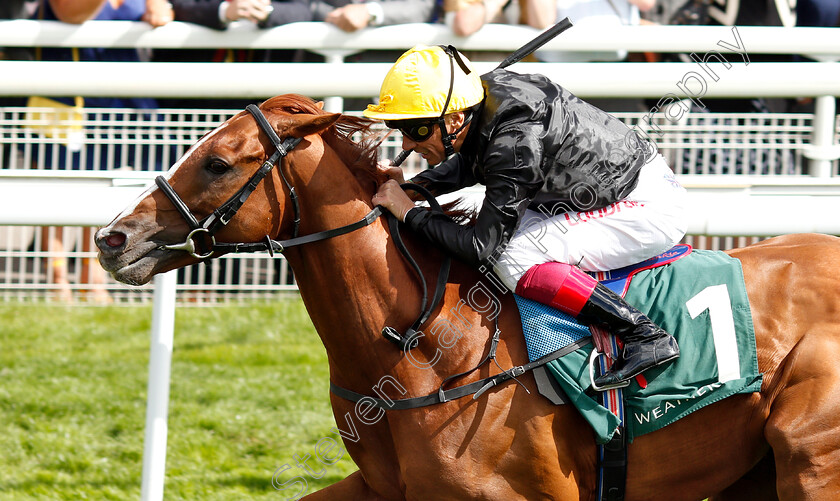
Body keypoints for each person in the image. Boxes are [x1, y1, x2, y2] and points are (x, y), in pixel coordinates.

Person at [365, 45, 687, 389]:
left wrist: (408, 211)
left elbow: (481, 247)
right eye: (398, 128)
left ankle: (643, 335)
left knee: (513, 256)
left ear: (455, 119)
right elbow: (475, 156)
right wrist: (415, 187)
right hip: (612, 185)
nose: (408, 144)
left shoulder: (515, 138)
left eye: (415, 129)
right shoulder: (478, 98)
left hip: (644, 206)